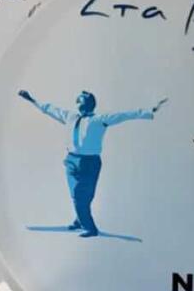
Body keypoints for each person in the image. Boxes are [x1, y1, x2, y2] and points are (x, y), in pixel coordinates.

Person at [18, 89, 168, 238]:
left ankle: (91, 228)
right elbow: (50, 109)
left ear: (88, 104)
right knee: (77, 195)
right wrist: (32, 100)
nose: (80, 105)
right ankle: (80, 220)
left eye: (82, 102)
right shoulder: (70, 116)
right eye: (79, 102)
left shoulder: (99, 120)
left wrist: (150, 111)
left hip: (90, 163)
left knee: (83, 196)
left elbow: (124, 115)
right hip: (71, 161)